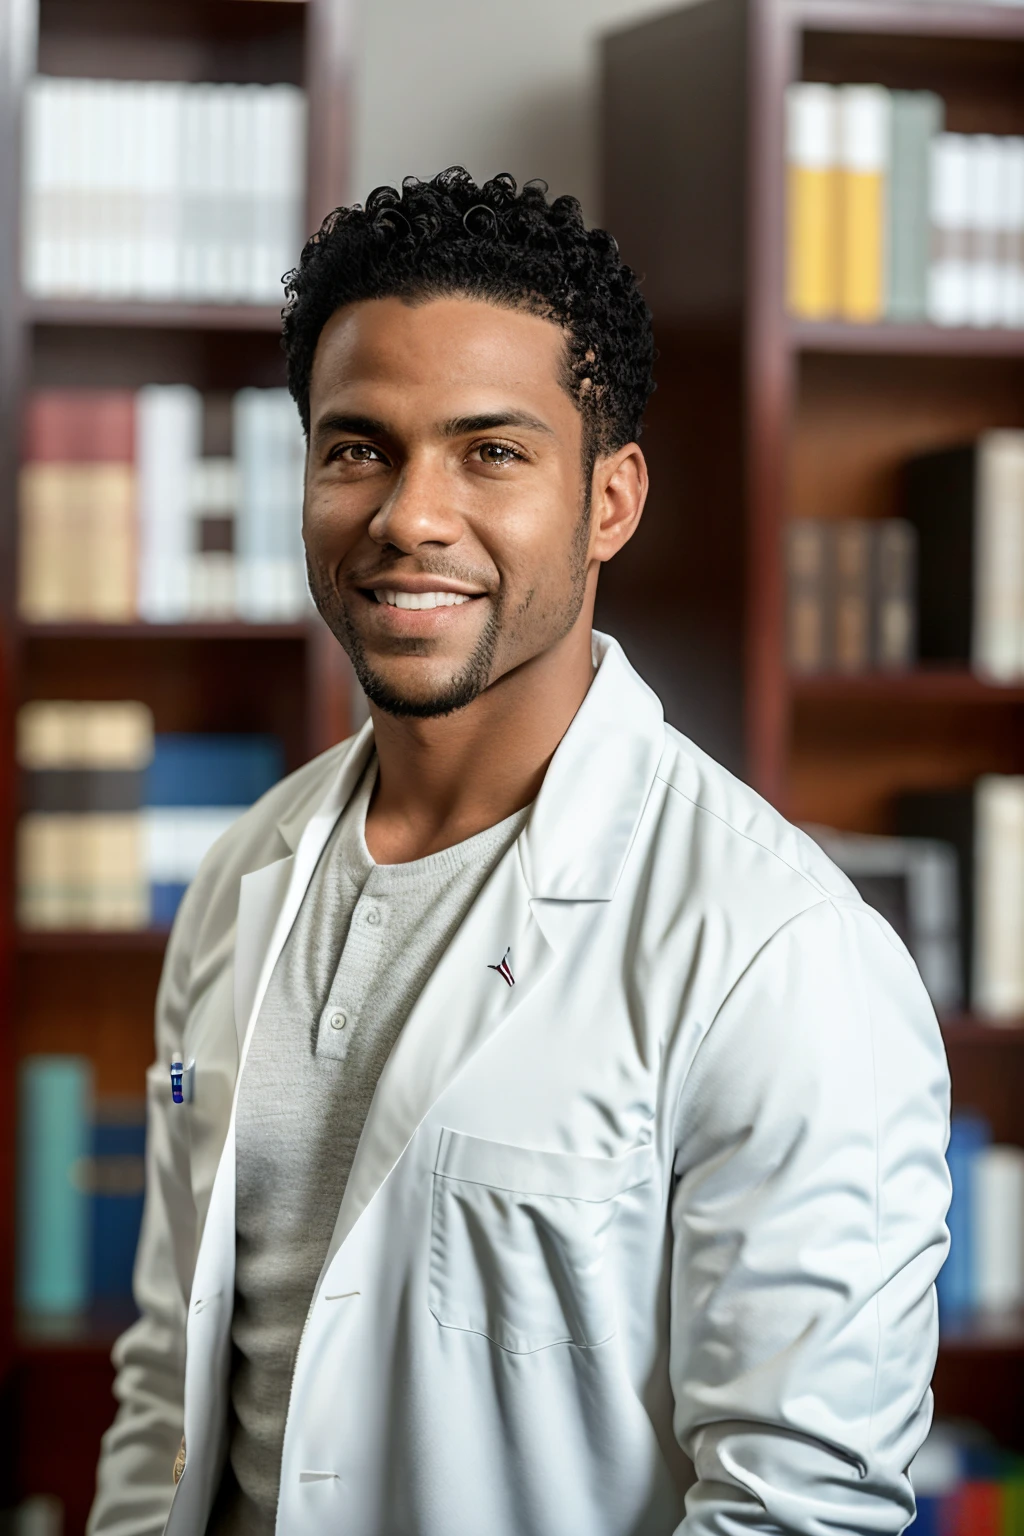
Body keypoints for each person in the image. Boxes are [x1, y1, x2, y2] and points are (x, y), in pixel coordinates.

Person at [88, 168, 950, 1536]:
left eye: (491, 451)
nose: (409, 517)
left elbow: (797, 1505)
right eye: (356, 447)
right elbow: (169, 1396)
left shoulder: (782, 952)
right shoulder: (250, 869)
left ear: (609, 501)